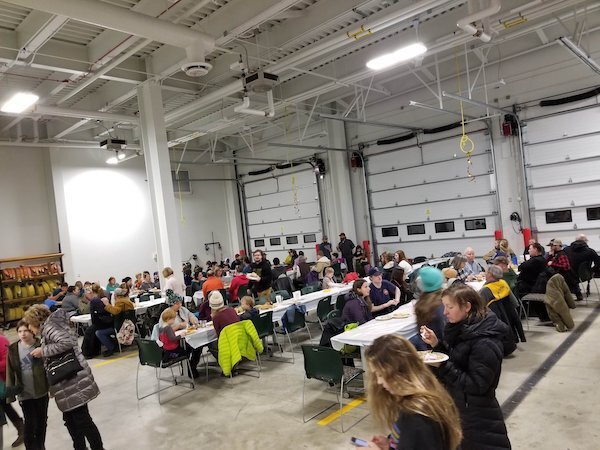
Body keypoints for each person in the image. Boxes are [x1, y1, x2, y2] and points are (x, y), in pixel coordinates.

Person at [421, 284, 511, 450]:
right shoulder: (462, 329)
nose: (445, 312)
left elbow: (477, 385)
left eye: (450, 307)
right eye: (444, 306)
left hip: (476, 414)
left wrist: (443, 365)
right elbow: (458, 359)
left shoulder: (485, 341)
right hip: (461, 406)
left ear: (467, 307)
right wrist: (436, 344)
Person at [23, 305, 104, 450]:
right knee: (71, 420)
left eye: (29, 325)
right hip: (68, 380)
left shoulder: (50, 327)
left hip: (73, 379)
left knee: (82, 419)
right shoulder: (52, 326)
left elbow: (66, 343)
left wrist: (43, 350)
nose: (29, 329)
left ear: (35, 321)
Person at [363, 334, 462, 450]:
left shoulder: (416, 418)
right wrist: (391, 444)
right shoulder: (418, 401)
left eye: (380, 374)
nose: (379, 381)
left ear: (398, 373)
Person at [6, 321, 48, 450]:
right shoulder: (13, 349)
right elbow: (10, 372)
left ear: (31, 331)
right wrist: (10, 394)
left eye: (25, 331)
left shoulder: (40, 345)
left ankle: (40, 446)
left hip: (41, 391)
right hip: (24, 393)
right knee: (30, 424)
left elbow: (48, 367)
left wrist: (52, 387)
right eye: (19, 331)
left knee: (41, 422)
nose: (23, 334)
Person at [479, 265, 525, 352]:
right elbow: (514, 303)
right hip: (508, 319)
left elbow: (479, 307)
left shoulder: (486, 290)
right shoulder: (503, 283)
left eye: (487, 272)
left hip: (492, 320)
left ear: (490, 275)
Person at [159, 290, 201, 378]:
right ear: (171, 304)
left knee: (198, 345)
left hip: (187, 334)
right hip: (176, 341)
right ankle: (188, 368)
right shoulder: (166, 314)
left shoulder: (182, 309)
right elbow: (163, 331)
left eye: (180, 303)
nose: (180, 305)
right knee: (192, 347)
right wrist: (178, 326)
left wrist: (193, 319)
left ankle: (192, 367)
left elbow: (190, 315)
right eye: (177, 304)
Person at [410, 267, 446, 351]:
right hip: (429, 343)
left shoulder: (437, 305)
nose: (417, 280)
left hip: (433, 347)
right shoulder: (437, 299)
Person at [0, 329, 24, 447]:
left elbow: (7, 362)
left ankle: (22, 428)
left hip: (5, 381)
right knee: (5, 405)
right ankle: (21, 428)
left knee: (4, 404)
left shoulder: (1, 340)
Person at [90, 286, 117, 357]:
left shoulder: (95, 301)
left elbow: (114, 312)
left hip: (113, 325)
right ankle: (113, 344)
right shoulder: (106, 300)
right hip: (114, 323)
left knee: (98, 332)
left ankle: (111, 347)